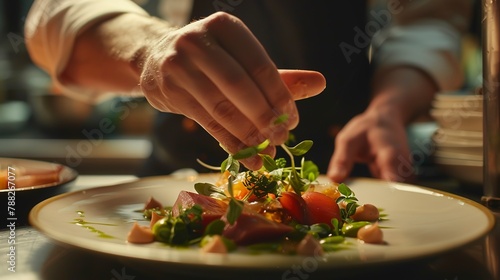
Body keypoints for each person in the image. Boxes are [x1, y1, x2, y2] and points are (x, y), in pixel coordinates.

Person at [24, 0, 473, 182]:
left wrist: (389, 107)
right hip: (170, 181)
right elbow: (52, 16)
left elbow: (430, 18)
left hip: (349, 179)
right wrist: (149, 49)